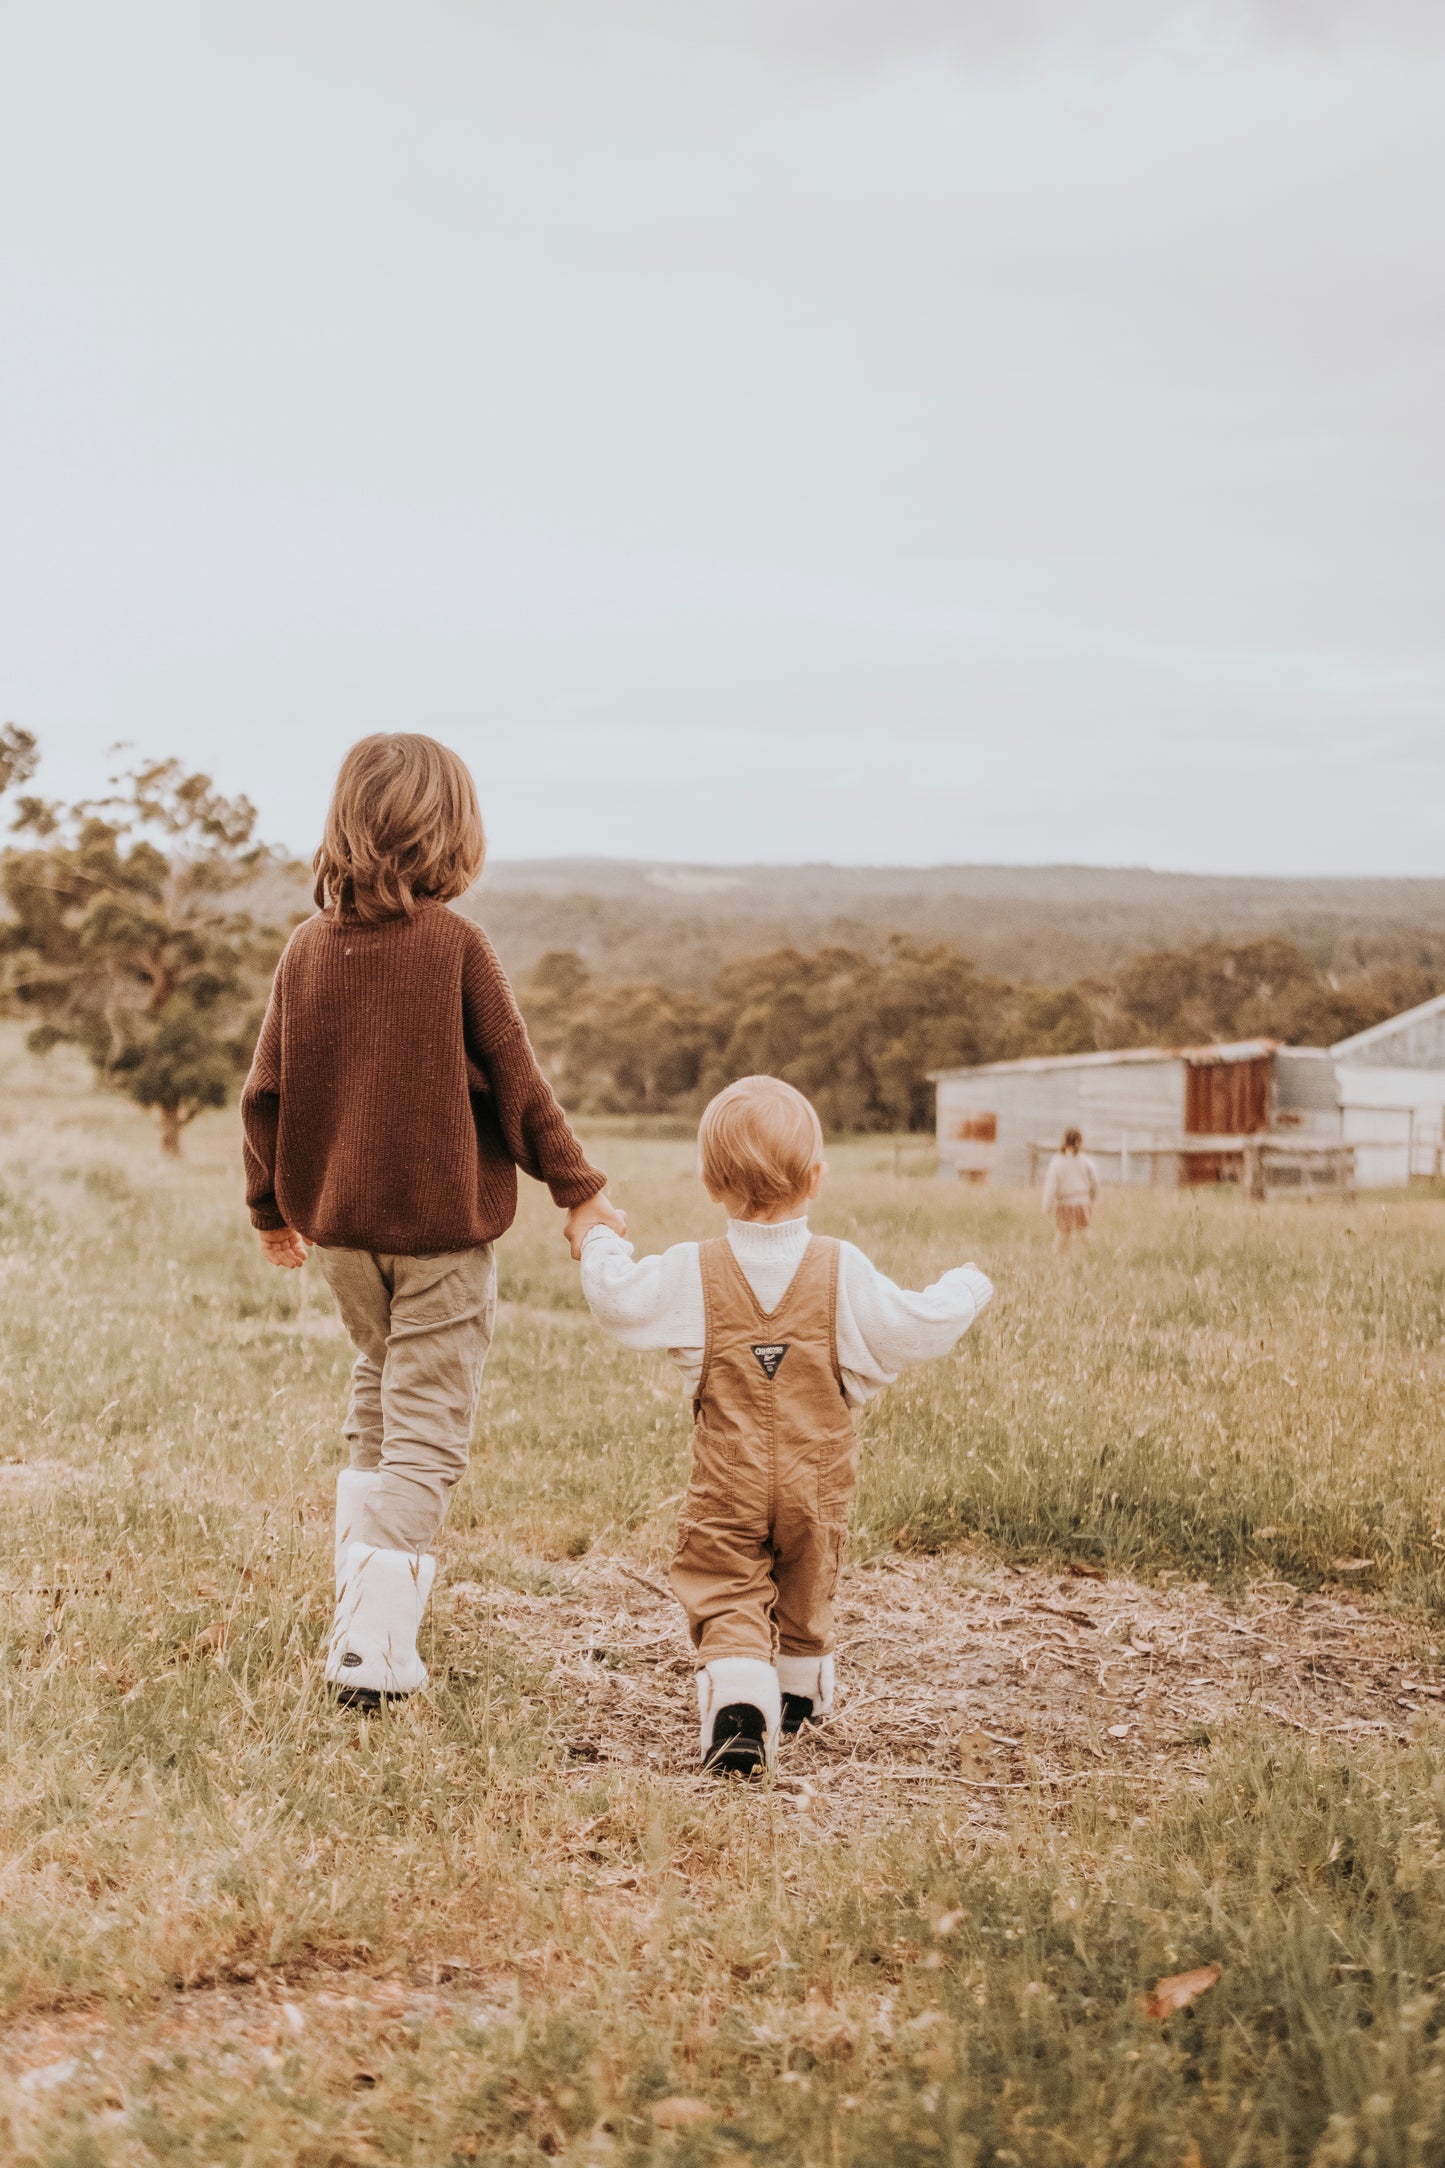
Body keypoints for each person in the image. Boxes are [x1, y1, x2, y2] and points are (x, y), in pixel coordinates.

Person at [242, 733, 625, 1708]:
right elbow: (519, 1086)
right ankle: (369, 1646)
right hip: (439, 1242)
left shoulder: (304, 949)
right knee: (425, 1433)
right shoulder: (456, 946)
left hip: (342, 1240)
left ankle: (354, 1602)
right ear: (450, 834)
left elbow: (264, 1096)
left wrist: (269, 1211)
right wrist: (575, 1187)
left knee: (377, 1393)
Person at [577, 1075, 993, 1776]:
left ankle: (741, 1700)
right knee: (809, 1576)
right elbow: (916, 1328)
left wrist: (598, 1238)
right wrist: (966, 1287)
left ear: (710, 1183)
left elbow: (616, 1301)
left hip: (726, 1484)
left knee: (727, 1583)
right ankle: (798, 1693)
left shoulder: (691, 1271)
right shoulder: (842, 1269)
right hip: (816, 1480)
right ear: (818, 1178)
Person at [1042, 1127, 1098, 1247]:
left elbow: (1050, 1186)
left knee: (1062, 1236)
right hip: (1082, 1201)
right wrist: (1092, 1198)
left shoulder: (1057, 1162)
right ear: (1080, 1142)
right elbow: (1094, 1182)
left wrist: (1047, 1206)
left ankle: (1057, 1260)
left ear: (1064, 1141)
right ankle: (1091, 1256)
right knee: (1085, 1234)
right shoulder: (1085, 1161)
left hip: (1064, 1203)